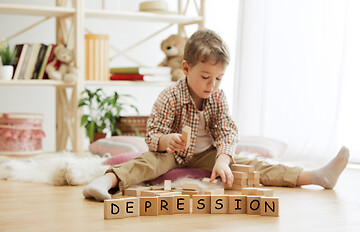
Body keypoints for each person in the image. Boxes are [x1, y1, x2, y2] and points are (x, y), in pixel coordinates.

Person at [83, 29, 350, 202]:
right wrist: (166, 141)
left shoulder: (218, 98)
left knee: (251, 165)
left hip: (207, 153)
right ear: (186, 69)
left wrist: (222, 160)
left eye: (219, 78)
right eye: (206, 77)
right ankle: (104, 181)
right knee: (145, 163)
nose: (212, 85)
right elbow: (152, 134)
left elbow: (226, 131)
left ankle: (315, 176)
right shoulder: (169, 96)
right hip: (171, 153)